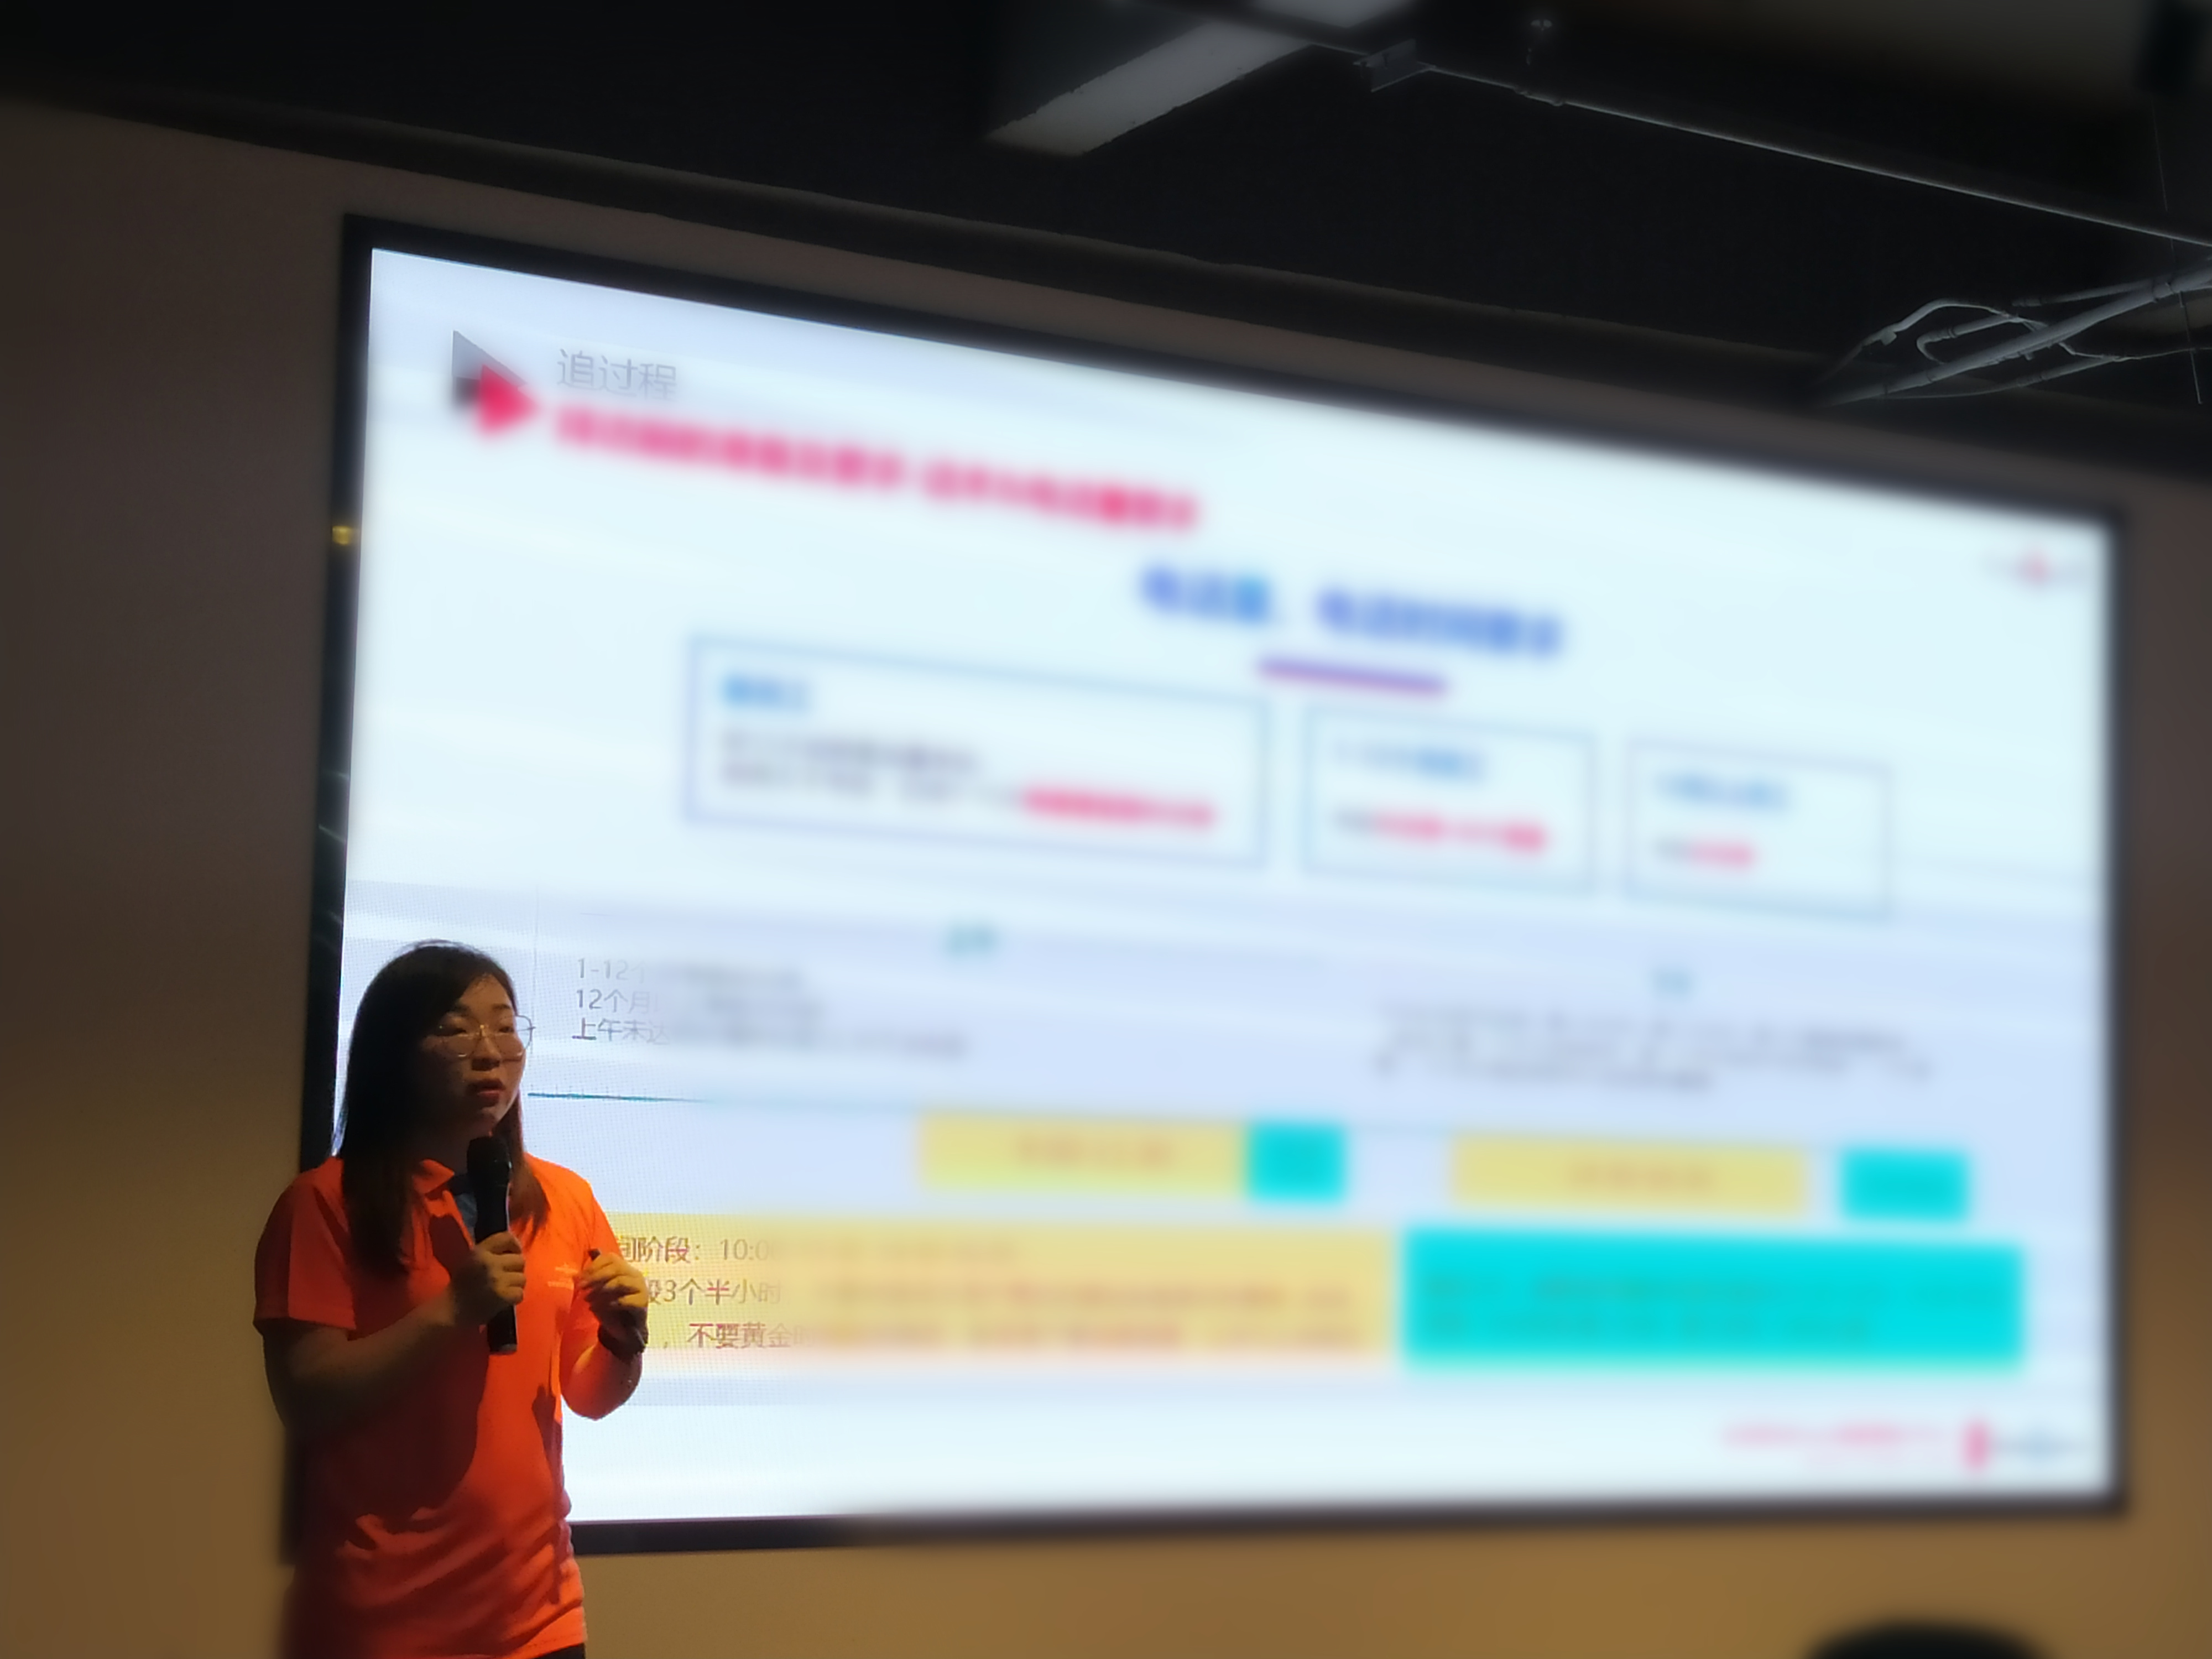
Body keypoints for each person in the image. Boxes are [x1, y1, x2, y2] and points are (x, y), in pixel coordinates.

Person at [254, 942, 649, 1659]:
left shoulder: (564, 1197)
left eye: (506, 1027)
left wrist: (624, 1339)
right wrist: (450, 1314)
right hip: (381, 1623)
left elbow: (587, 1393)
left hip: (539, 1617)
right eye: (454, 1029)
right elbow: (306, 1398)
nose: (490, 1051)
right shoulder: (324, 1204)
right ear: (394, 1054)